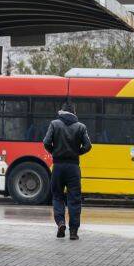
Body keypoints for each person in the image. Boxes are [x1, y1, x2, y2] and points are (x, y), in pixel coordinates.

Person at [43, 102, 92, 240]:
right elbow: (88, 146)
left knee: (57, 196)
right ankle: (74, 232)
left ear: (62, 111)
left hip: (58, 166)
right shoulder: (81, 127)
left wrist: (55, 152)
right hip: (73, 167)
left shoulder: (54, 124)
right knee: (74, 199)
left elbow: (46, 142)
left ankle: (60, 223)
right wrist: (77, 152)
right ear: (74, 112)